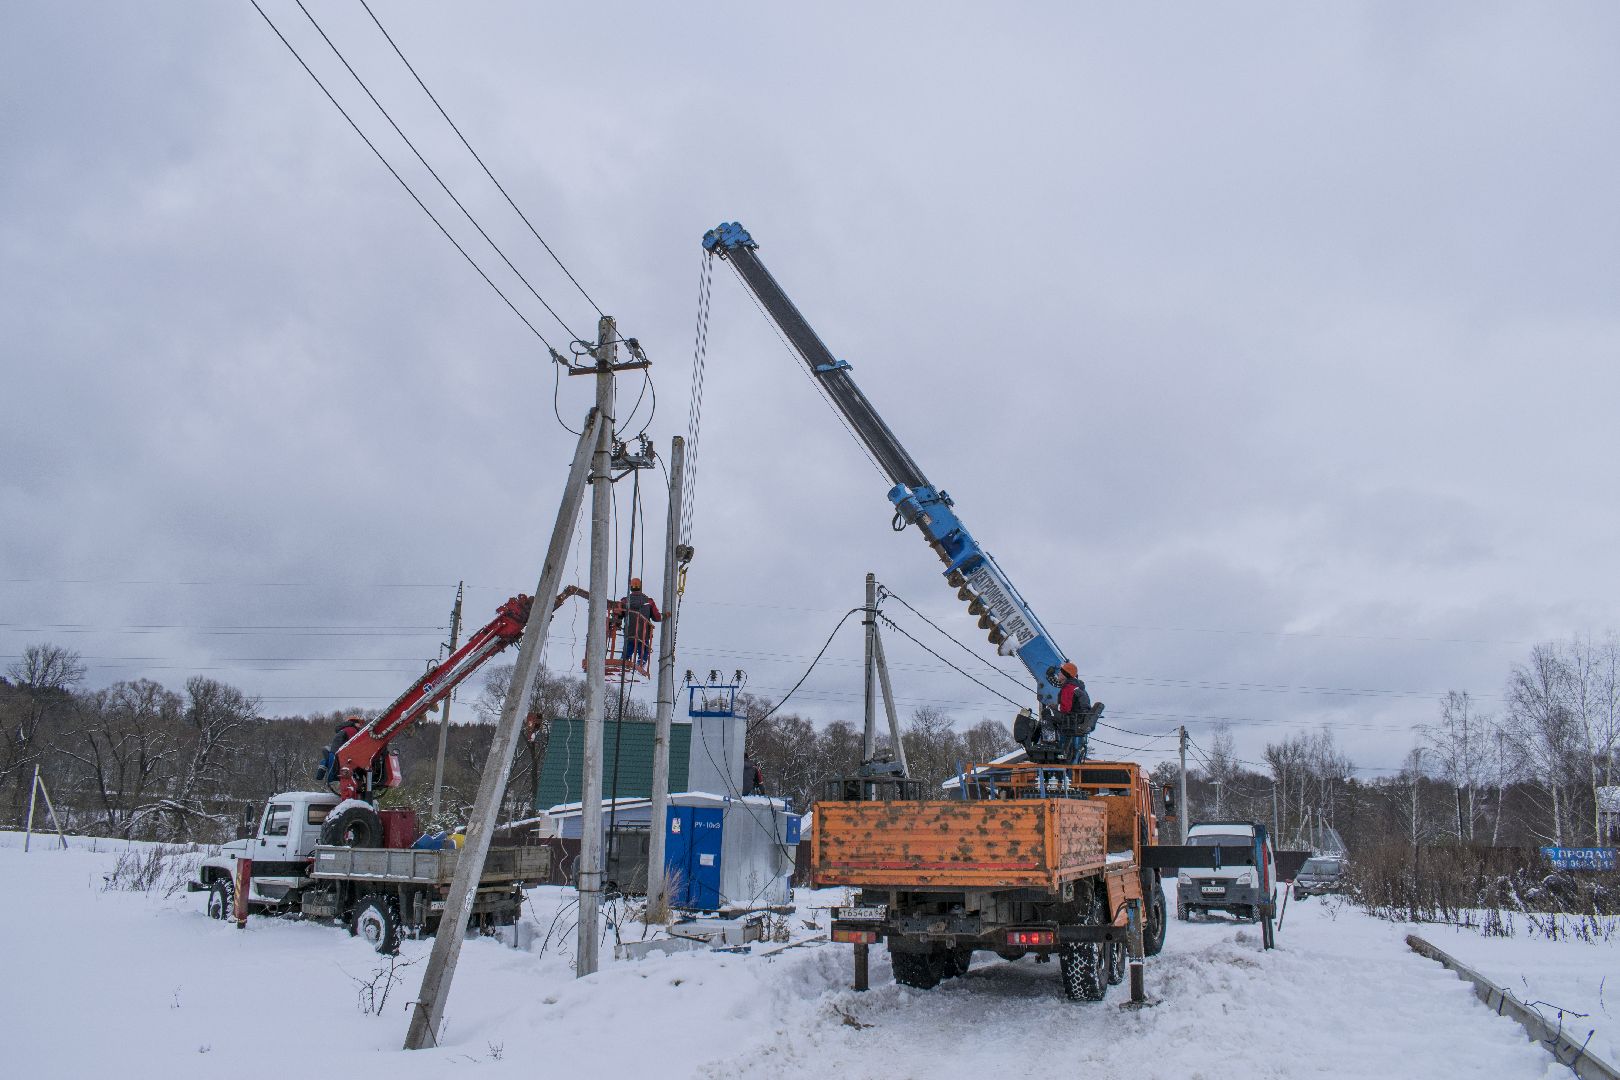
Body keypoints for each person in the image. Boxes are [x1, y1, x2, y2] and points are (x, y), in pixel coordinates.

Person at [617, 577, 661, 669]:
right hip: (643, 634)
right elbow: (657, 617)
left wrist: (615, 622)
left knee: (628, 648)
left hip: (629, 632)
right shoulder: (649, 602)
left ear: (631, 587)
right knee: (643, 649)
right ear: (640, 587)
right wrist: (665, 616)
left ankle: (623, 663)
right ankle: (641, 663)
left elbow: (619, 615)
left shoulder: (625, 601)